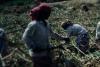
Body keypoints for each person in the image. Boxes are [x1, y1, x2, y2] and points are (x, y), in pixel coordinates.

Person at [22, 3, 69, 67]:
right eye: (47, 13)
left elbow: (52, 34)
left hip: (46, 52)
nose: (49, 15)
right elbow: (25, 37)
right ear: (42, 13)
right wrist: (33, 47)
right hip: (37, 55)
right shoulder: (34, 24)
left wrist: (63, 38)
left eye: (49, 13)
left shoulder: (46, 23)